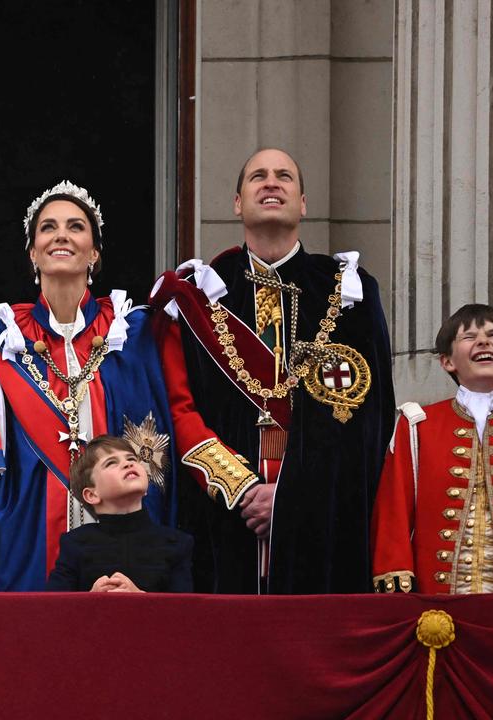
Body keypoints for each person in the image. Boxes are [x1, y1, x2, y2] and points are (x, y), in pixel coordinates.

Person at [150, 147, 394, 594]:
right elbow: (178, 408)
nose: (271, 182)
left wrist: (290, 497)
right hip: (223, 516)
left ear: (303, 203)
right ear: (238, 202)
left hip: (322, 517)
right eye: (258, 175)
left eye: (284, 176)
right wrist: (242, 490)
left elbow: (366, 418)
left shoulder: (351, 292)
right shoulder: (198, 294)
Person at [0, 181, 176, 592]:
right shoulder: (3, 340)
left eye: (76, 226)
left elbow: (159, 434)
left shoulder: (131, 331)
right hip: (29, 526)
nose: (62, 235)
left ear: (95, 252)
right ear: (33, 253)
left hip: (124, 525)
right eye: (48, 228)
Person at [371, 304, 493, 594]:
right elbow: (393, 508)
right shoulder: (417, 425)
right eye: (469, 336)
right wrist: (395, 578)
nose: (483, 341)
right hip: (433, 603)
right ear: (447, 361)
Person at [47, 427, 193, 593]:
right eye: (111, 463)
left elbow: (184, 614)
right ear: (92, 495)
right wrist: (89, 599)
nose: (128, 463)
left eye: (132, 458)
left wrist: (141, 598)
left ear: (146, 488)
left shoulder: (176, 544)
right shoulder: (74, 544)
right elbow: (54, 610)